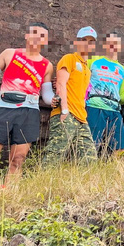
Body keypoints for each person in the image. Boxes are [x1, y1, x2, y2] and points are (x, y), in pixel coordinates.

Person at [0, 22, 54, 186]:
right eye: (35, 33)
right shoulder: (9, 54)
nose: (38, 38)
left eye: (42, 36)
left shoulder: (47, 65)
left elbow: (47, 94)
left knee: (18, 160)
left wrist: (56, 100)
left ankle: (9, 198)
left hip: (29, 111)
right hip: (3, 107)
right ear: (27, 35)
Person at [44, 27, 98, 163]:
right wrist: (64, 110)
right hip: (66, 113)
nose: (87, 43)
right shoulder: (69, 59)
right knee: (55, 155)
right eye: (84, 40)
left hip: (81, 118)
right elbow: (61, 84)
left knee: (89, 159)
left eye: (91, 41)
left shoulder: (87, 69)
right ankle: (44, 183)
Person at [86, 32, 124, 154]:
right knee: (91, 145)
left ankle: (118, 172)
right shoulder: (93, 60)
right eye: (109, 43)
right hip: (94, 106)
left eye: (115, 43)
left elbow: (121, 98)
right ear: (105, 45)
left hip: (115, 110)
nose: (113, 45)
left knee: (121, 148)